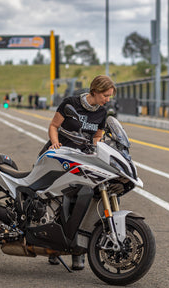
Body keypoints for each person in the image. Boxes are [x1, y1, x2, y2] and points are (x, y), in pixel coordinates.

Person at [42, 75, 116, 270]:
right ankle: (52, 248)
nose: (107, 99)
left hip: (81, 161)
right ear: (95, 91)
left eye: (109, 96)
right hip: (59, 157)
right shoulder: (71, 103)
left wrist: (96, 149)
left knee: (81, 201)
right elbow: (53, 126)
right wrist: (55, 143)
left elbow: (97, 136)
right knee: (54, 200)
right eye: (105, 95)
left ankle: (77, 250)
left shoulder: (102, 112)